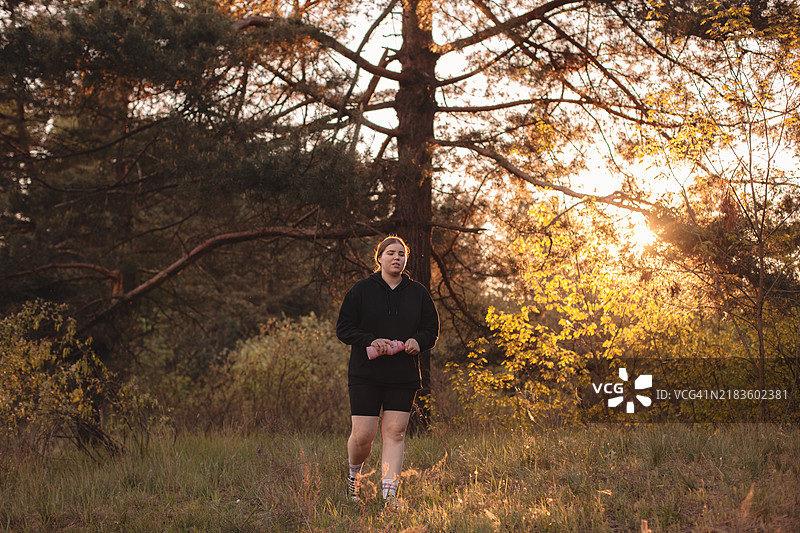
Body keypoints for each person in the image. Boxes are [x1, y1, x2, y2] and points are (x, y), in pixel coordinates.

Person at [336, 236, 439, 506]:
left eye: (402, 254)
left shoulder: (418, 293)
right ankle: (353, 481)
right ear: (379, 258)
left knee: (395, 433)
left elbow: (431, 329)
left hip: (402, 374)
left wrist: (419, 341)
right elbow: (344, 328)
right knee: (363, 435)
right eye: (391, 253)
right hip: (365, 373)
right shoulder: (361, 290)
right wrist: (369, 339)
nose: (397, 258)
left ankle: (389, 497)